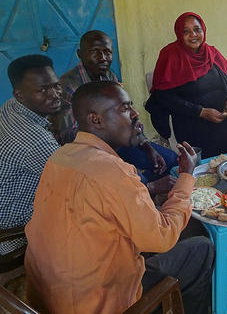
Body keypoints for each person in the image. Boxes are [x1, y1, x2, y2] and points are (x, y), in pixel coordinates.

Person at [25, 81, 214, 314]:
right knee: (201, 248)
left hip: (48, 297)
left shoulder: (60, 156)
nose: (135, 114)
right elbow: (162, 237)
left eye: (131, 106)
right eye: (125, 108)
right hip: (99, 303)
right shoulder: (112, 171)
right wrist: (186, 175)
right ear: (96, 120)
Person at [49, 30, 177, 184]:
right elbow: (69, 137)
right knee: (133, 182)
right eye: (95, 52)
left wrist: (147, 146)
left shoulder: (109, 77)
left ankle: (142, 191)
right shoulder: (67, 87)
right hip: (88, 153)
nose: (102, 58)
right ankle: (141, 190)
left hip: (119, 141)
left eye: (107, 52)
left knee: (169, 161)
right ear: (80, 54)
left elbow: (130, 116)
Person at [146, 12, 227, 158]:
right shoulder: (170, 56)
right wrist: (200, 111)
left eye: (197, 29)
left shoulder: (212, 53)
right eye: (186, 31)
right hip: (191, 119)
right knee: (213, 159)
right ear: (179, 34)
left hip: (223, 115)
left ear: (203, 30)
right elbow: (163, 97)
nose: (193, 35)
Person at [0, 54, 61, 255]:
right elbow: (77, 183)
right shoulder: (37, 142)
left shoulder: (10, 107)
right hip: (11, 236)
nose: (54, 94)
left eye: (56, 85)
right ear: (20, 94)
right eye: (42, 90)